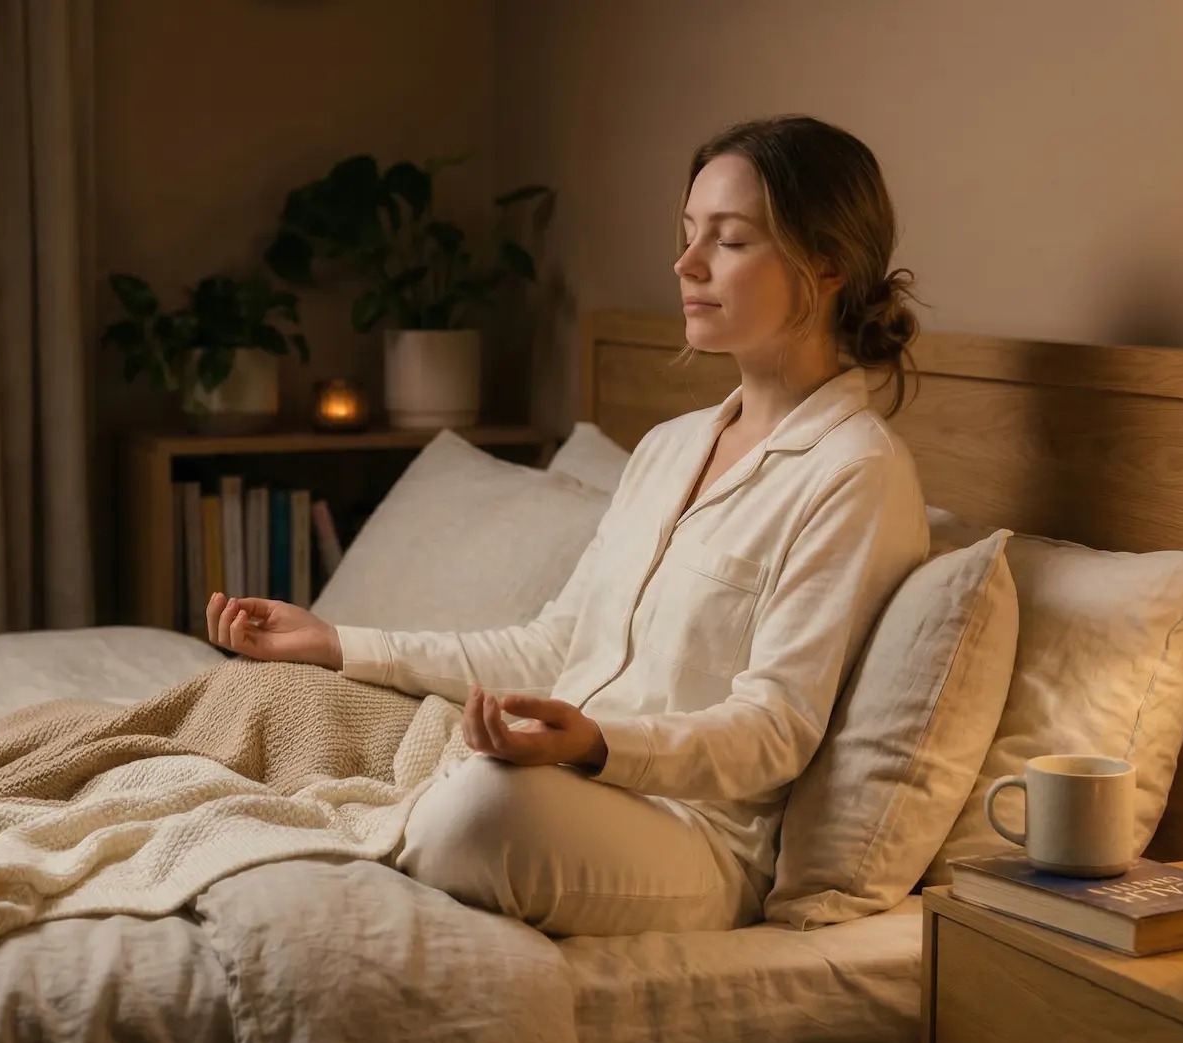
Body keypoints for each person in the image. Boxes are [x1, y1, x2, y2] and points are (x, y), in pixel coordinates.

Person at [204, 115, 929, 937]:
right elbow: (551, 648)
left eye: (729, 240)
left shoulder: (855, 472)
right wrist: (338, 643)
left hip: (693, 837)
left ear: (828, 264)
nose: (686, 263)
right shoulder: (670, 447)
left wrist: (594, 744)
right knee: (286, 699)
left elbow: (774, 730)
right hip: (563, 781)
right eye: (689, 232)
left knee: (480, 806)